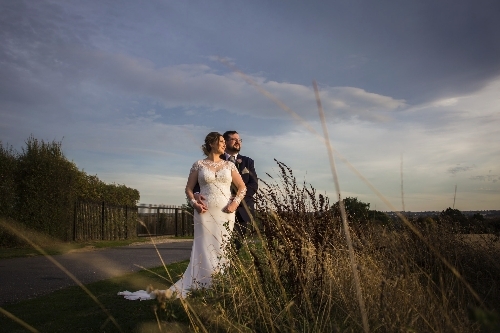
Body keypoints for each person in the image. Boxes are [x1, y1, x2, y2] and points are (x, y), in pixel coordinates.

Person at [118, 132, 246, 300]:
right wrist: (195, 203)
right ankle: (201, 283)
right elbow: (189, 189)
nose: (224, 144)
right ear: (212, 144)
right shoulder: (198, 165)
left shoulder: (229, 166)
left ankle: (220, 283)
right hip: (204, 212)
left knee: (222, 247)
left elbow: (242, 187)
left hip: (225, 212)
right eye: (221, 141)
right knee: (204, 247)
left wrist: (235, 202)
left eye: (224, 141)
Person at [195, 130, 258, 251]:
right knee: (215, 245)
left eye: (239, 140)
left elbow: (253, 185)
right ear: (225, 142)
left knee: (235, 247)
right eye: (234, 139)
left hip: (242, 211)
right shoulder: (212, 160)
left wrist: (237, 199)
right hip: (218, 209)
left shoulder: (248, 162)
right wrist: (197, 194)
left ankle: (228, 268)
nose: (237, 142)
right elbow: (200, 181)